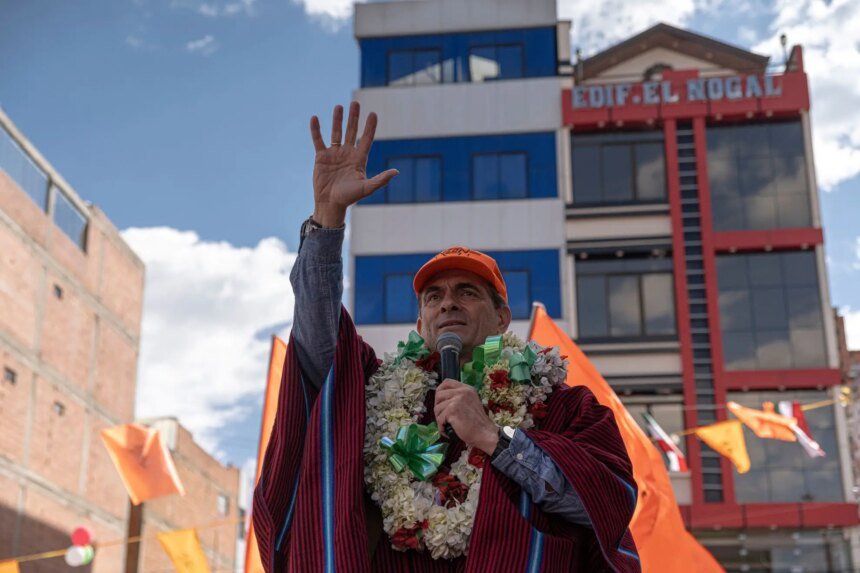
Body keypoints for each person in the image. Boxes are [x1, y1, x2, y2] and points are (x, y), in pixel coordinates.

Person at [253, 102, 641, 572]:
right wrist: (328, 219)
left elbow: (607, 502)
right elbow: (318, 347)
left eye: (467, 292)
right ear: (420, 324)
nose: (447, 303)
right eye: (433, 296)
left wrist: (496, 439)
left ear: (503, 317)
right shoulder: (375, 396)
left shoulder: (564, 406)